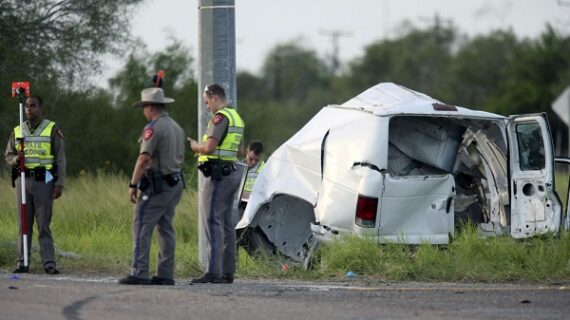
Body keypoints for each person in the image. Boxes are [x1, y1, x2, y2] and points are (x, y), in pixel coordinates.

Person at [118, 87, 185, 285]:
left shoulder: (153, 128)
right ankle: (165, 274)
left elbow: (144, 158)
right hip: (175, 182)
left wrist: (133, 184)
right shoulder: (176, 127)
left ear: (151, 107)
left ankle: (140, 272)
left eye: (144, 107)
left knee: (141, 225)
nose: (143, 111)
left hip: (158, 185)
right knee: (165, 227)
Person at [187, 83, 244, 284]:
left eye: (207, 102)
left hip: (218, 176)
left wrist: (196, 146)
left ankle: (213, 272)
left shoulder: (220, 117)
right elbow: (239, 150)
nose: (207, 107)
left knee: (212, 221)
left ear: (214, 97)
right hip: (232, 173)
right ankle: (227, 271)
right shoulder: (236, 117)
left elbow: (209, 147)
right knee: (226, 223)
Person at [4, 95, 66, 274]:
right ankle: (22, 262)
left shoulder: (52, 128)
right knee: (24, 223)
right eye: (27, 107)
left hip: (44, 178)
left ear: (41, 108)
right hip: (23, 179)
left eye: (33, 106)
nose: (29, 109)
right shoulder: (18, 131)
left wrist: (59, 184)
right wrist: (17, 158)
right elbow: (8, 155)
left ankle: (49, 263)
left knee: (44, 223)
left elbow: (60, 158)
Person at [239, 140, 265, 209]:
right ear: (247, 151)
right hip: (237, 204)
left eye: (257, 160)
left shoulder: (265, 170)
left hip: (252, 208)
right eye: (251, 158)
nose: (253, 162)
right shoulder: (238, 167)